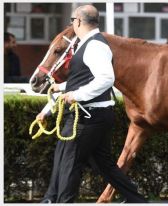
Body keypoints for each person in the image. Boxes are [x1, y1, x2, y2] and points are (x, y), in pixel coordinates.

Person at [36, 5, 147, 203]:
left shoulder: (95, 45)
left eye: (72, 21)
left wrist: (77, 95)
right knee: (104, 165)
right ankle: (137, 200)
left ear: (77, 21)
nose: (72, 24)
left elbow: (106, 79)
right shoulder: (87, 44)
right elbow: (80, 80)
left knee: (69, 162)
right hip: (94, 115)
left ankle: (59, 202)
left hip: (87, 117)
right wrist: (48, 109)